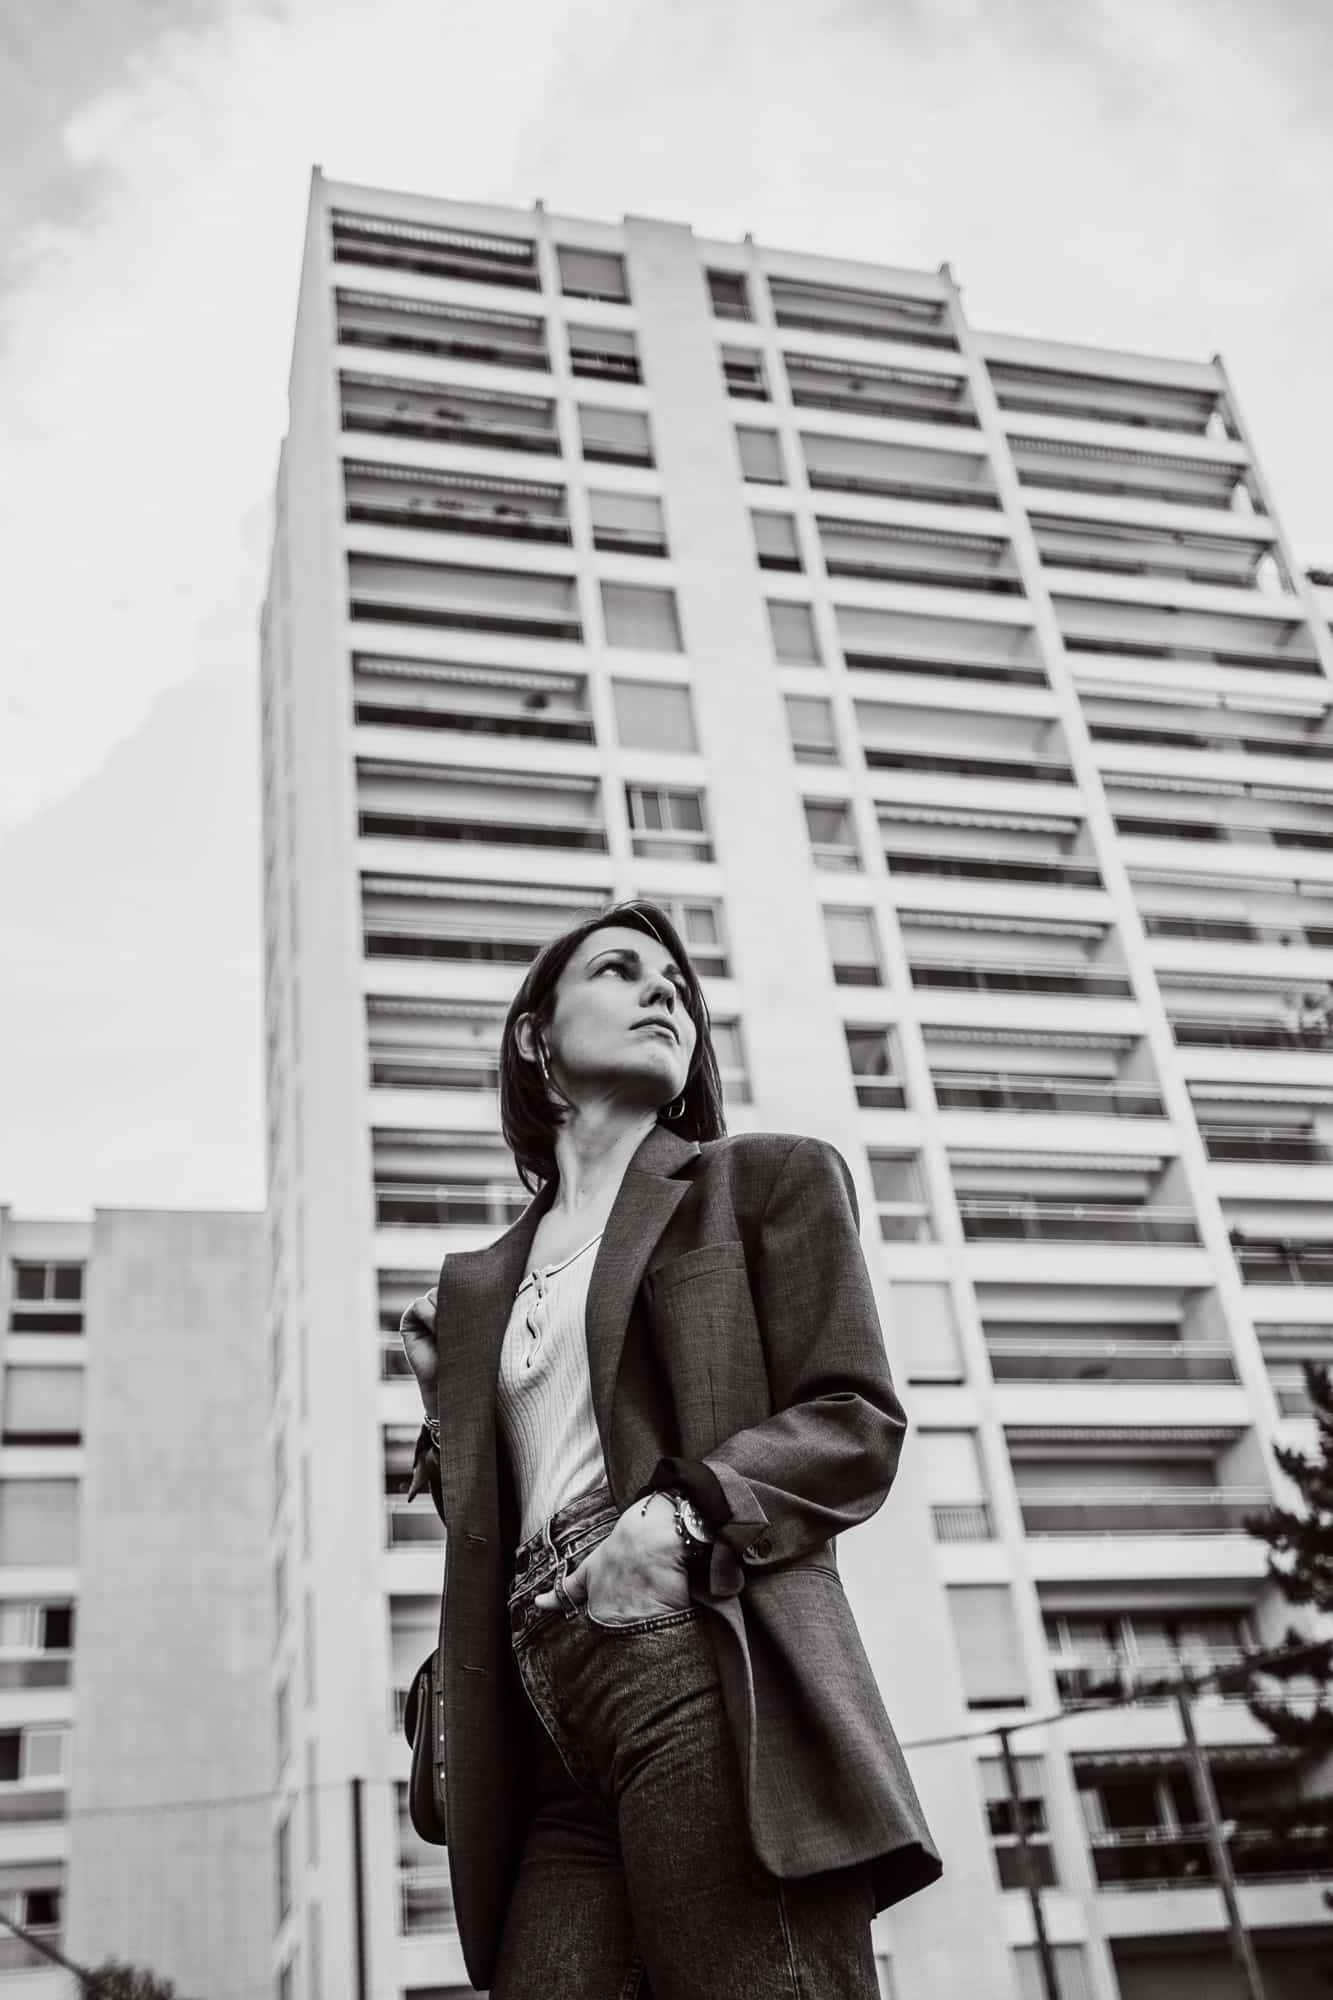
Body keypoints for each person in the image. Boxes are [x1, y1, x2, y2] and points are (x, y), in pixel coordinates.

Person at [398, 898, 942, 1998]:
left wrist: (677, 1519)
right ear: (534, 1038)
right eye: (619, 969)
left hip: (693, 1647)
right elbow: (502, 1520)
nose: (664, 991)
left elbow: (852, 1416)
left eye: (678, 985)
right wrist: (448, 1412)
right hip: (535, 1720)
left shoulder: (763, 1181)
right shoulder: (474, 1289)